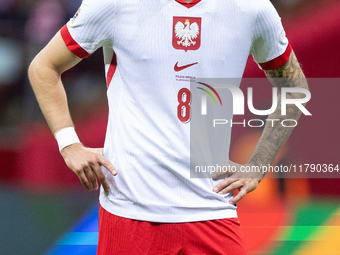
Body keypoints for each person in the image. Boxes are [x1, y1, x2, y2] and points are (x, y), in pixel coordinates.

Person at [28, 0, 308, 254]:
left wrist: (259, 163)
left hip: (210, 207)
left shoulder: (252, 9)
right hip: (130, 209)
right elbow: (44, 67)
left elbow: (294, 88)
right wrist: (69, 144)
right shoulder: (114, 4)